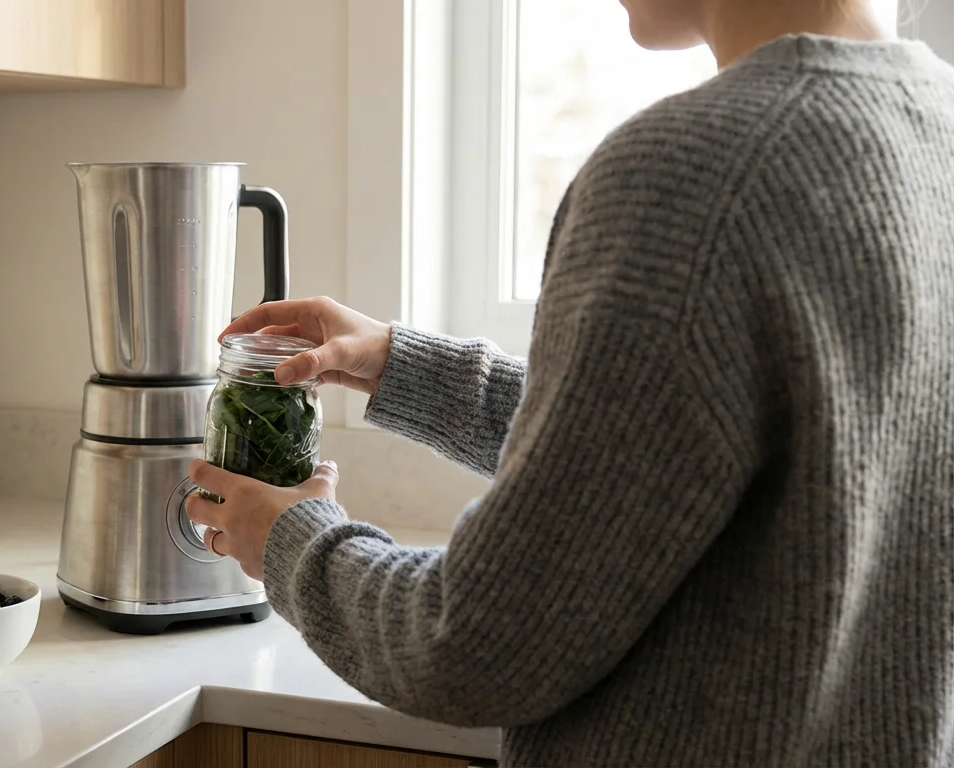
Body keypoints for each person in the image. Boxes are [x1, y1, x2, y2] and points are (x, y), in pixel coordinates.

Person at [183, 0, 954, 765]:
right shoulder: (935, 125)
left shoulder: (691, 174)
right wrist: (404, 365)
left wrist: (290, 541)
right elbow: (671, 447)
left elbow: (477, 646)